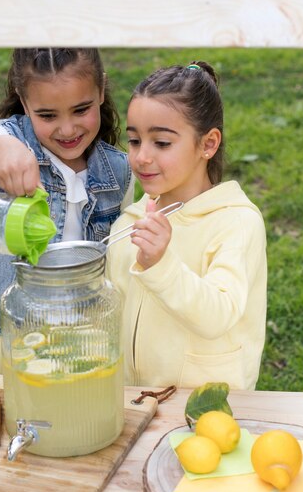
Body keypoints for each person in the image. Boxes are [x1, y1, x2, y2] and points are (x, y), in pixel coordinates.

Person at [0, 47, 133, 373]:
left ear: (101, 89)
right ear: (24, 100)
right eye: (47, 115)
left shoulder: (118, 170)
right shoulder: (1, 139)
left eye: (81, 109)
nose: (68, 129)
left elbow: (118, 255)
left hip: (77, 336)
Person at [106, 61, 267, 390]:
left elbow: (219, 314)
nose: (141, 157)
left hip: (206, 405)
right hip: (133, 398)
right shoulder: (131, 220)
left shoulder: (236, 222)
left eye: (161, 143)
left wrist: (162, 265)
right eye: (135, 141)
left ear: (208, 144)